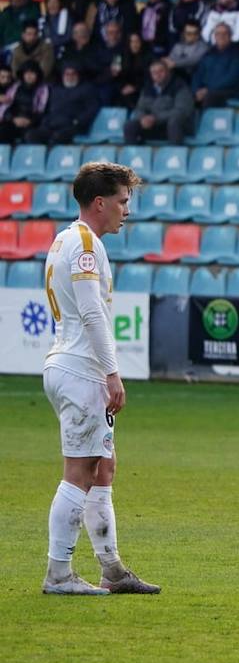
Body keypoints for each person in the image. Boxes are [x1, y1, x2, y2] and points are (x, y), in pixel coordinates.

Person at [40, 162, 160, 595]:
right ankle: (58, 573)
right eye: (123, 201)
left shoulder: (64, 239)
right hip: (80, 368)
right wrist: (112, 373)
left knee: (103, 467)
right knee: (79, 470)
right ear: (100, 202)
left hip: (68, 363)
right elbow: (91, 313)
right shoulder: (86, 245)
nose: (127, 211)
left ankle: (112, 568)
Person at [123, 58, 193, 144]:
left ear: (168, 71)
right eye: (154, 73)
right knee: (130, 125)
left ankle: (175, 154)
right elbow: (139, 108)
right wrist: (143, 118)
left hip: (175, 127)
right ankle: (134, 155)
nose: (157, 75)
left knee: (174, 121)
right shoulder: (147, 89)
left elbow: (182, 111)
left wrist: (156, 118)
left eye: (161, 71)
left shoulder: (180, 86)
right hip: (153, 126)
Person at [30, 64, 99, 145]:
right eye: (67, 74)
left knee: (58, 136)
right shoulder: (56, 89)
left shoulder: (87, 89)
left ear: (78, 75)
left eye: (73, 74)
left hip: (72, 126)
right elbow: (48, 109)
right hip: (53, 124)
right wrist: (46, 122)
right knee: (31, 135)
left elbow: (92, 109)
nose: (70, 77)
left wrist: (78, 121)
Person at [191, 23, 239, 108]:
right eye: (218, 34)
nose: (221, 36)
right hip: (206, 90)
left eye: (224, 33)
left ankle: (206, 121)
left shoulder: (237, 54)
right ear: (214, 36)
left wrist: (208, 90)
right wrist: (196, 90)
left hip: (228, 91)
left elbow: (232, 79)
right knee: (188, 97)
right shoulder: (208, 54)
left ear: (230, 36)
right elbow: (198, 74)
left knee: (210, 97)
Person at [0, 61, 47, 144]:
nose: (29, 76)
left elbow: (42, 111)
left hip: (32, 124)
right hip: (14, 121)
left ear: (37, 75)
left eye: (32, 73)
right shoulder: (14, 88)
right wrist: (13, 119)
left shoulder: (43, 89)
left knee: (30, 136)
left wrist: (30, 121)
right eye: (26, 73)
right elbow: (5, 108)